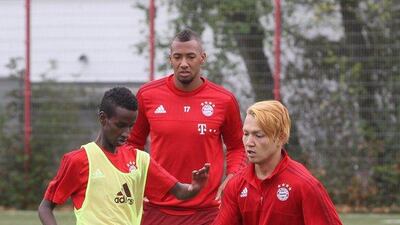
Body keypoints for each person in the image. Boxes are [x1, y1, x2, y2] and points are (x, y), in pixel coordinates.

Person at [38, 87, 210, 225]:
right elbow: (45, 207)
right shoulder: (79, 160)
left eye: (131, 126)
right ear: (103, 118)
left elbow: (179, 191)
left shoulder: (140, 160)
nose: (127, 133)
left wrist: (195, 187)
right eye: (120, 125)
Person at [127, 28, 246, 225]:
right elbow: (132, 144)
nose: (184, 63)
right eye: (178, 57)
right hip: (156, 209)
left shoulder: (224, 100)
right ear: (170, 59)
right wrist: (136, 183)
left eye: (190, 57)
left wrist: (232, 178)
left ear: (202, 57)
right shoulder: (147, 95)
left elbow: (237, 146)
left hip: (207, 212)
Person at [212, 100, 343, 225]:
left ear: (281, 137)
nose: (249, 142)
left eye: (258, 135)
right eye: (246, 134)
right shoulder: (236, 185)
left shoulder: (305, 186)